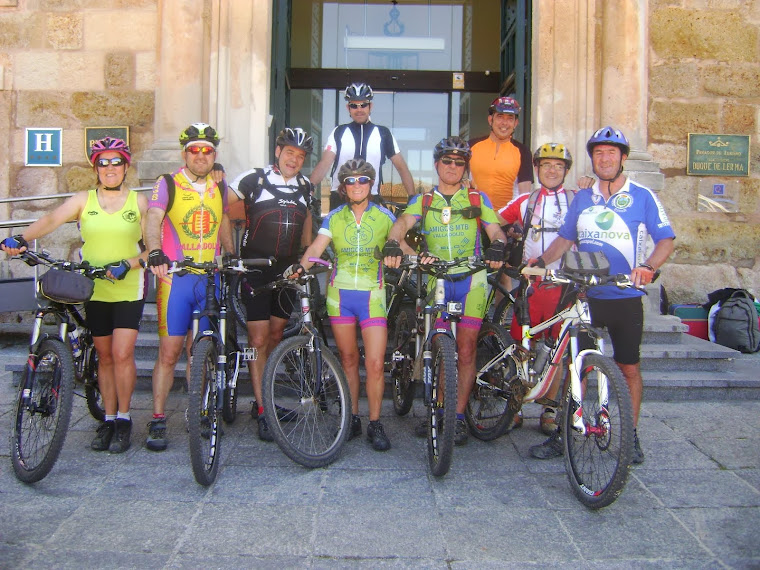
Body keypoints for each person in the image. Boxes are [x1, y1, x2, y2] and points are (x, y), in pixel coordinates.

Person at [527, 126, 675, 464]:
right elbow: (564, 240)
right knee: (572, 365)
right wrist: (538, 261)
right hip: (585, 295)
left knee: (629, 368)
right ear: (592, 158)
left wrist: (649, 267)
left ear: (623, 158)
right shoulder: (583, 197)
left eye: (611, 152)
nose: (604, 158)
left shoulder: (642, 196)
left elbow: (665, 239)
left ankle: (631, 436)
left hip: (624, 296)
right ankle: (564, 431)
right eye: (598, 153)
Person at [2, 137, 148, 453]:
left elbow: (154, 249)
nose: (110, 168)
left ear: (125, 167)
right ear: (96, 168)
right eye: (103, 163)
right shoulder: (84, 199)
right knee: (105, 356)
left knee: (123, 354)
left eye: (116, 162)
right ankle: (108, 419)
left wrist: (129, 264)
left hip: (127, 286)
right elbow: (52, 219)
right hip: (93, 287)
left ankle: (124, 418)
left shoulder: (139, 203)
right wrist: (21, 237)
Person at [383, 136, 507, 446]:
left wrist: (499, 247)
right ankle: (438, 408)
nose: (452, 167)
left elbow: (496, 231)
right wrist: (400, 246)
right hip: (435, 279)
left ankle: (459, 416)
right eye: (447, 161)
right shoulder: (424, 201)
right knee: (439, 345)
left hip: (472, 280)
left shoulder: (477, 200)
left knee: (465, 349)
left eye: (459, 162)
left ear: (465, 168)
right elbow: (400, 224)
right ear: (437, 165)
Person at [289, 159, 401, 451]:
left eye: (362, 180)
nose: (356, 185)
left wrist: (419, 257)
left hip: (372, 297)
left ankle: (375, 423)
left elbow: (400, 243)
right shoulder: (335, 217)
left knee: (375, 364)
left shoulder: (385, 216)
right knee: (348, 360)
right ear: (343, 186)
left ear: (370, 184)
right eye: (350, 181)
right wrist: (300, 268)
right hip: (339, 297)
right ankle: (351, 418)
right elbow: (316, 247)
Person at [144, 123, 236, 451]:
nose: (201, 155)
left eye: (207, 150)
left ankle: (198, 412)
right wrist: (154, 251)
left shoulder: (219, 187)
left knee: (199, 352)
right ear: (185, 153)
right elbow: (153, 217)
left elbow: (225, 218)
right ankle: (157, 418)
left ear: (215, 155)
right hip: (176, 281)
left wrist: (231, 254)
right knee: (169, 353)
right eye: (195, 150)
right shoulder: (168, 182)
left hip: (209, 279)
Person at [227, 127, 315, 441]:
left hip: (287, 269)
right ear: (278, 151)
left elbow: (306, 221)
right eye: (290, 152)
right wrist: (228, 251)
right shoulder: (252, 179)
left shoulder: (306, 185)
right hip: (255, 268)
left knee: (277, 333)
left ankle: (265, 397)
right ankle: (264, 410)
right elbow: (222, 210)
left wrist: (305, 254)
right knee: (258, 337)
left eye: (301, 155)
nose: (295, 159)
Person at [498, 142, 576, 449]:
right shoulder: (526, 200)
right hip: (532, 287)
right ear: (538, 169)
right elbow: (493, 221)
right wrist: (503, 240)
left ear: (566, 171)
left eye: (558, 166)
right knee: (521, 346)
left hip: (566, 285)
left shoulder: (577, 199)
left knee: (559, 351)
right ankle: (515, 405)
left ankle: (550, 408)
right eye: (546, 165)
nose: (552, 170)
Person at [310, 83, 416, 210]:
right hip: (340, 198)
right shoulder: (339, 132)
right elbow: (324, 164)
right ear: (348, 108)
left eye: (363, 105)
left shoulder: (383, 133)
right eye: (354, 105)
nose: (359, 109)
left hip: (371, 198)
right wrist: (309, 189)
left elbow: (401, 167)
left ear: (370, 106)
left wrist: (412, 197)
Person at [469, 96, 534, 212]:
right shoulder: (471, 146)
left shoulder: (523, 151)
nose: (504, 123)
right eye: (499, 117)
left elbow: (524, 195)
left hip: (507, 220)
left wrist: (517, 222)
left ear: (516, 123)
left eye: (510, 118)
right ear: (490, 120)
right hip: (474, 217)